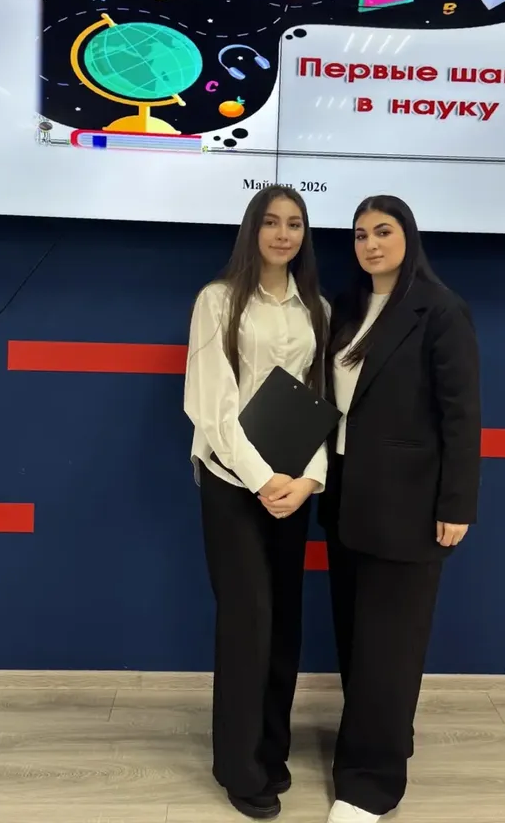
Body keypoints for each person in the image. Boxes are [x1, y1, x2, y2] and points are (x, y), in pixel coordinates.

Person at [320, 195, 481, 823]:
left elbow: (461, 415)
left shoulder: (440, 310)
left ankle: (370, 786)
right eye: (360, 234)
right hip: (347, 503)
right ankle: (386, 738)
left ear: (408, 237)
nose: (371, 244)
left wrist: (456, 503)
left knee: (389, 648)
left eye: (383, 231)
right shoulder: (348, 309)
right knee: (358, 641)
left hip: (410, 509)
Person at [184, 185, 329, 820]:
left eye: (294, 223)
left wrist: (309, 480)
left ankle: (272, 750)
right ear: (253, 229)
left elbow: (322, 401)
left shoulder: (316, 308)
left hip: (293, 487)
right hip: (232, 481)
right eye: (271, 222)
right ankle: (238, 767)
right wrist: (260, 476)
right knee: (248, 621)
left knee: (284, 622)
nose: (283, 234)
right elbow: (209, 403)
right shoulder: (217, 301)